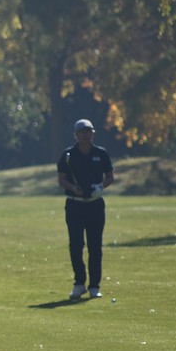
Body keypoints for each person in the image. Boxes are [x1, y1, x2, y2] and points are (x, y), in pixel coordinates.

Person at [57, 118, 115, 300]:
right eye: (82, 132)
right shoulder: (68, 155)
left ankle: (94, 286)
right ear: (76, 134)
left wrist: (101, 187)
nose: (85, 135)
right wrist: (73, 188)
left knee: (95, 246)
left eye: (88, 131)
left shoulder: (101, 153)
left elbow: (110, 176)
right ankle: (79, 283)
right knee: (75, 245)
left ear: (92, 133)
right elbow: (62, 179)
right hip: (74, 204)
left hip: (95, 205)